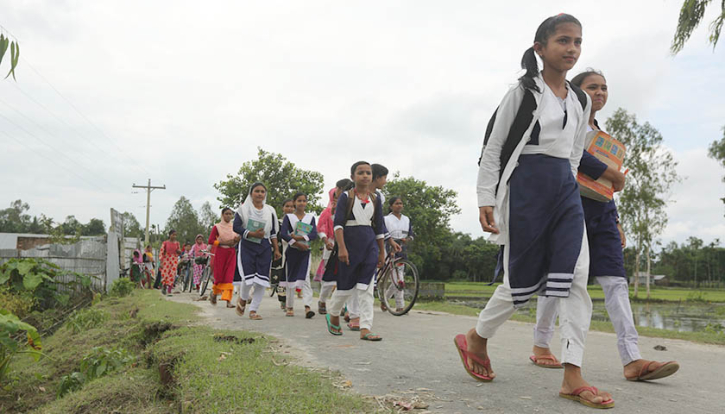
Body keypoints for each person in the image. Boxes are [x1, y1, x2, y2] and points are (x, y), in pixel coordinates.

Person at [455, 14, 615, 409]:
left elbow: (576, 154)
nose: (572, 49)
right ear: (540, 48)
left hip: (564, 192)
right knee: (520, 280)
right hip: (526, 190)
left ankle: (572, 374)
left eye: (577, 42)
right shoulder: (523, 92)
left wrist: (570, 189)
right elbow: (493, 149)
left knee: (576, 278)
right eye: (563, 41)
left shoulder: (578, 100)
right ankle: (477, 337)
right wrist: (485, 199)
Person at [530, 69, 680, 381]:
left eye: (604, 88)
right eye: (592, 87)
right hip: (567, 210)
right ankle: (541, 343)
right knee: (557, 280)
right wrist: (613, 173)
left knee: (616, 282)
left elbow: (604, 186)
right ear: (576, 90)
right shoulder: (564, 120)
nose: (600, 93)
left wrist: (616, 218)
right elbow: (568, 154)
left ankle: (632, 359)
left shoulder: (601, 134)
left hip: (603, 214)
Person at [324, 161, 385, 341]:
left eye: (368, 173)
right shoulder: (346, 197)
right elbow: (338, 225)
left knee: (366, 288)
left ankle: (365, 328)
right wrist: (341, 248)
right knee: (346, 287)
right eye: (361, 172)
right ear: (353, 177)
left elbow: (379, 227)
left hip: (370, 246)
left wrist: (381, 252)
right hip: (349, 244)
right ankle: (333, 312)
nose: (365, 176)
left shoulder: (376, 199)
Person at [233, 182, 282, 320]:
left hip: (264, 246)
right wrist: (251, 234)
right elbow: (236, 227)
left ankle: (253, 310)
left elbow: (273, 233)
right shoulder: (243, 210)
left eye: (262, 191)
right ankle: (242, 299)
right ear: (251, 193)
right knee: (248, 277)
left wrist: (276, 249)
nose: (260, 194)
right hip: (247, 246)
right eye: (257, 191)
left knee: (262, 279)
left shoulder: (270, 211)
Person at [316, 179, 353, 314]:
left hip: (347, 244)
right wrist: (326, 241)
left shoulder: (350, 208)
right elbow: (321, 228)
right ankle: (322, 299)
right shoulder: (327, 212)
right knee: (330, 276)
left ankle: (343, 307)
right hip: (331, 245)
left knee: (346, 277)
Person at [280, 192, 319, 318]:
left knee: (306, 278)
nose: (302, 203)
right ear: (294, 202)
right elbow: (283, 234)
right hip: (292, 251)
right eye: (299, 201)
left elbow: (313, 234)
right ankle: (289, 307)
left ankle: (307, 307)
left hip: (305, 251)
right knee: (290, 278)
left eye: (304, 201)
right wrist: (296, 242)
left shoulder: (310, 218)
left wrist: (301, 238)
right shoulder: (289, 218)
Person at [381, 197, 414, 313]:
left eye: (401, 203)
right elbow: (382, 234)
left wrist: (407, 240)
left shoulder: (406, 219)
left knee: (400, 278)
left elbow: (411, 235)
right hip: (388, 248)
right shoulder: (386, 219)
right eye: (396, 204)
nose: (399, 205)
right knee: (396, 278)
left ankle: (387, 300)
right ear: (391, 206)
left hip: (402, 249)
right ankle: (397, 304)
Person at [209, 208, 240, 307]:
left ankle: (228, 301)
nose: (228, 216)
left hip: (231, 252)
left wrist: (236, 240)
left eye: (230, 214)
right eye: (226, 214)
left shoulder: (234, 227)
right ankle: (214, 294)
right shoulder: (217, 227)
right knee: (219, 276)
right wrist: (223, 242)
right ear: (222, 215)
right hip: (220, 252)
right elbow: (211, 241)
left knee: (229, 276)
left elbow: (237, 239)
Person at [272, 199, 295, 310]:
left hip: (295, 249)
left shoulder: (297, 222)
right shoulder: (278, 222)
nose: (290, 209)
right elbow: (275, 236)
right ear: (283, 208)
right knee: (282, 275)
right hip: (282, 250)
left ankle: (290, 300)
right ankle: (283, 300)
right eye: (287, 206)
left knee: (291, 275)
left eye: (292, 206)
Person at [159, 230, 181, 296]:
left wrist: (178, 251)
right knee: (165, 274)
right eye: (173, 235)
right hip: (166, 259)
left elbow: (179, 251)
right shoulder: (165, 243)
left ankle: (169, 289)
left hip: (174, 259)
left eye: (175, 235)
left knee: (172, 274)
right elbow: (161, 252)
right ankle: (164, 286)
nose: (174, 236)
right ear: (169, 235)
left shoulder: (177, 243)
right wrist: (161, 261)